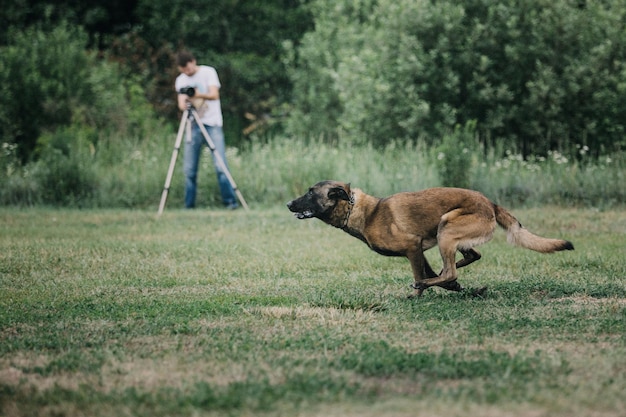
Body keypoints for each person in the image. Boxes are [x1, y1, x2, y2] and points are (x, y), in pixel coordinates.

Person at [175, 51, 238, 209]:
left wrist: (197, 94)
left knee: (220, 165)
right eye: (184, 70)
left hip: (212, 123)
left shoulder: (208, 72)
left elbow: (214, 95)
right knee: (189, 169)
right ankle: (188, 205)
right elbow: (182, 105)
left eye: (188, 69)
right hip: (192, 125)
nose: (187, 73)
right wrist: (188, 99)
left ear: (193, 61)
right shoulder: (180, 80)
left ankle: (230, 202)